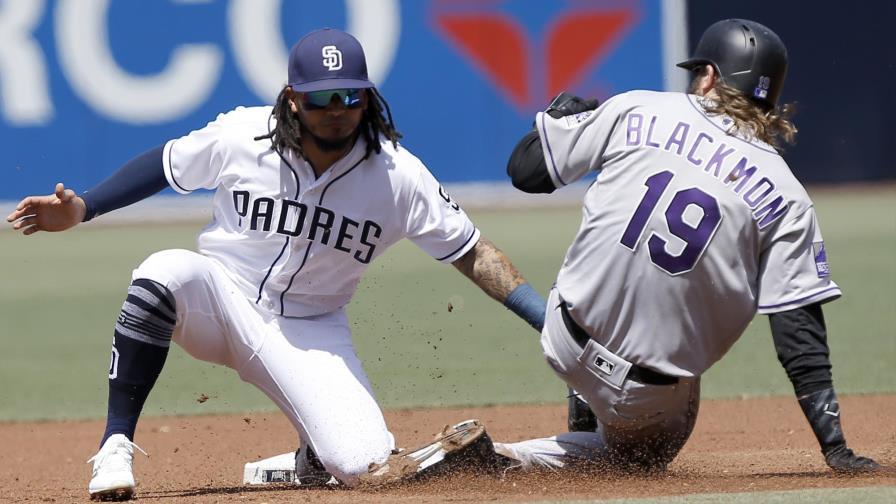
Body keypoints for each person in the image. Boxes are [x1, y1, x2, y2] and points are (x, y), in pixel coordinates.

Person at [6, 28, 545, 499]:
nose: (336, 109)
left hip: (310, 332)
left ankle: (310, 463)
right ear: (292, 100)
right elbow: (166, 163)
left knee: (367, 467)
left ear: (368, 99)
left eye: (349, 96)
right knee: (161, 271)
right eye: (321, 98)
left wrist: (547, 321)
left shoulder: (397, 175)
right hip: (219, 299)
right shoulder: (245, 134)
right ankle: (115, 444)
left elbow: (472, 250)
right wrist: (83, 207)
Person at [493, 19, 881, 474]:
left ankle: (583, 396)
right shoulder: (787, 194)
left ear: (711, 76)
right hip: (648, 398)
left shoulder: (636, 108)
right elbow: (798, 332)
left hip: (563, 336)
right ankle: (520, 458)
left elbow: (526, 172)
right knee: (639, 461)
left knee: (606, 250)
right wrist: (835, 447)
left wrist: (560, 117)